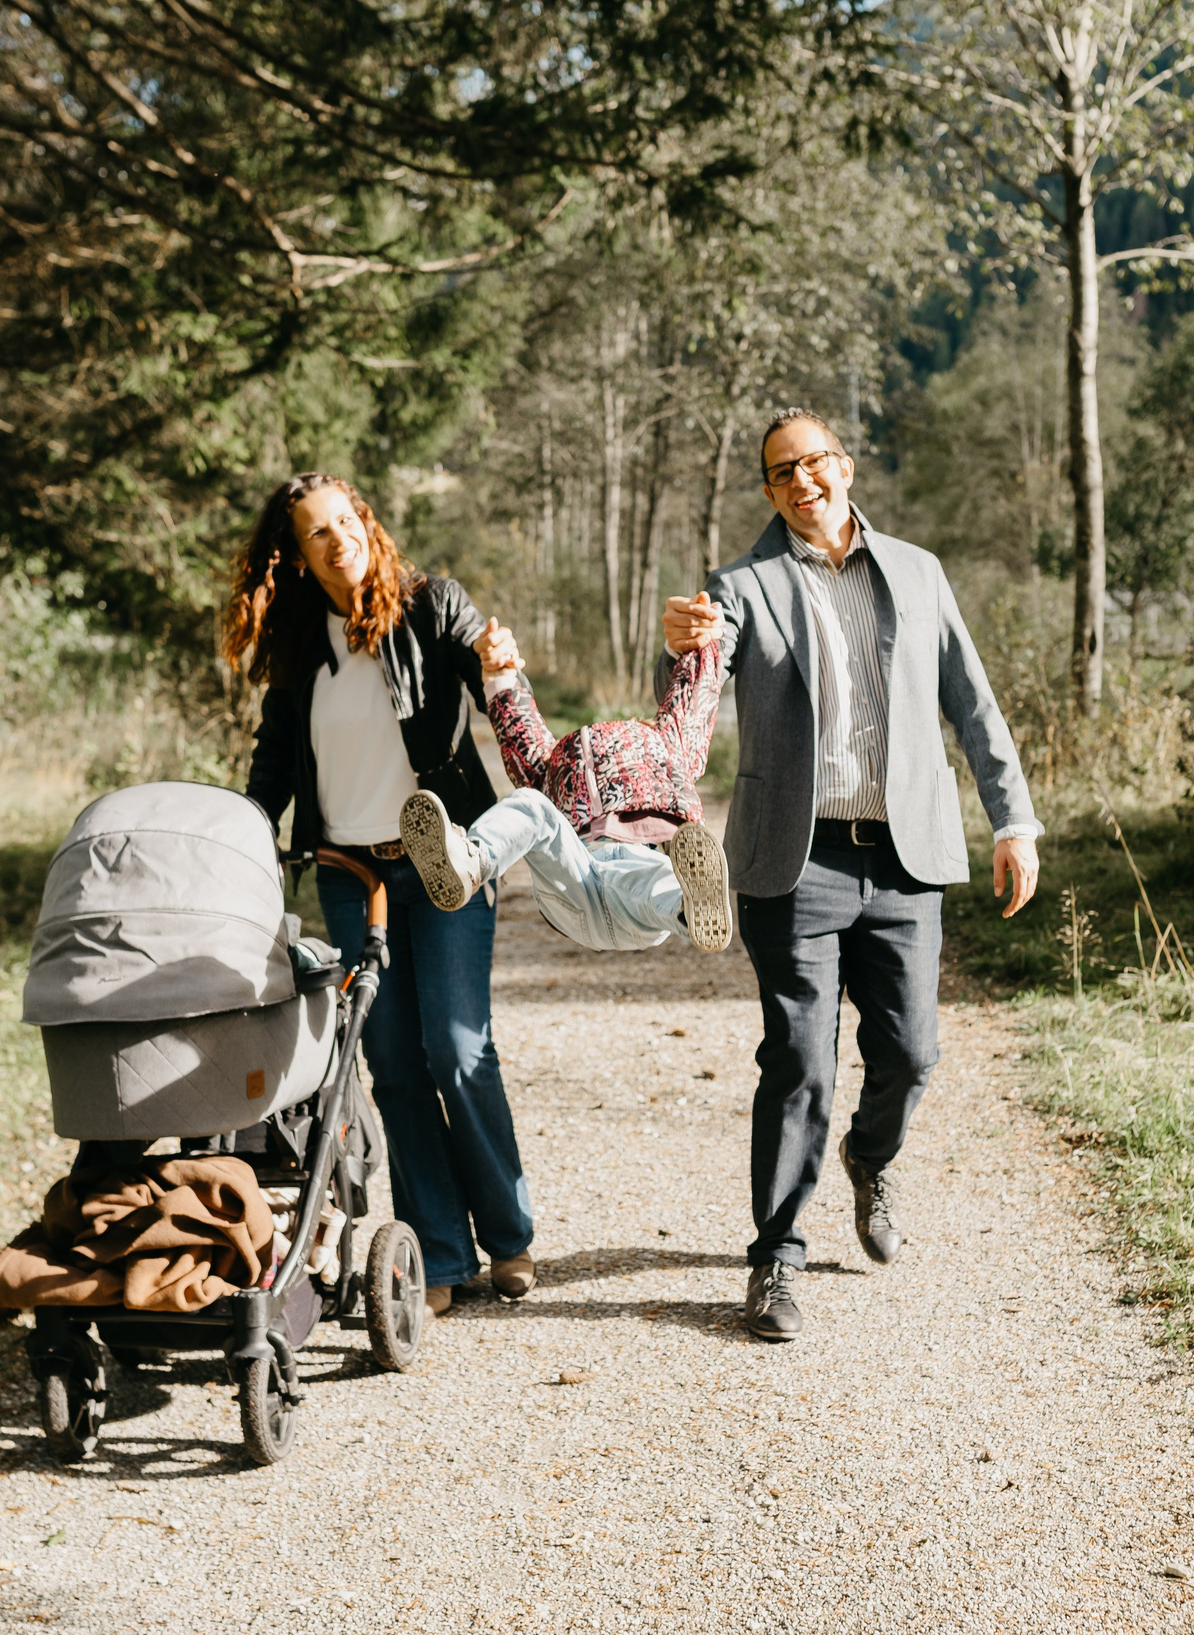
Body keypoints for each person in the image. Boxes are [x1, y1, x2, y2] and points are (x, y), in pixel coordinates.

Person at [663, 408, 1041, 1342]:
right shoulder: (741, 585)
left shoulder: (918, 572)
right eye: (782, 471)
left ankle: (871, 1158)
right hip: (796, 862)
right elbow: (696, 689)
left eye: (816, 461)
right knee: (799, 1060)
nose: (803, 481)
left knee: (911, 1053)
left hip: (906, 857)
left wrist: (1015, 820)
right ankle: (776, 1262)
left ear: (847, 465)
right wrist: (682, 647)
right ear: (769, 490)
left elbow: (974, 705)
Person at [228, 472, 533, 1318]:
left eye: (346, 520)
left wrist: (500, 665)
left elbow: (488, 665)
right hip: (348, 871)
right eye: (316, 532)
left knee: (459, 1046)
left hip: (444, 860)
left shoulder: (431, 605)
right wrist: (247, 834)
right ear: (295, 554)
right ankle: (440, 1249)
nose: (339, 539)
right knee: (392, 1063)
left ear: (366, 520)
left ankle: (508, 1233)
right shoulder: (296, 640)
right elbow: (275, 755)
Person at [395, 623, 735, 955]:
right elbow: (520, 728)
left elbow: (691, 703)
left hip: (638, 882)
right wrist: (501, 675)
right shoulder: (557, 763)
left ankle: (690, 910)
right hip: (572, 874)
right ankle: (471, 864)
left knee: (655, 879)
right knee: (531, 803)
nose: (621, 734)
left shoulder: (666, 751)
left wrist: (704, 644)